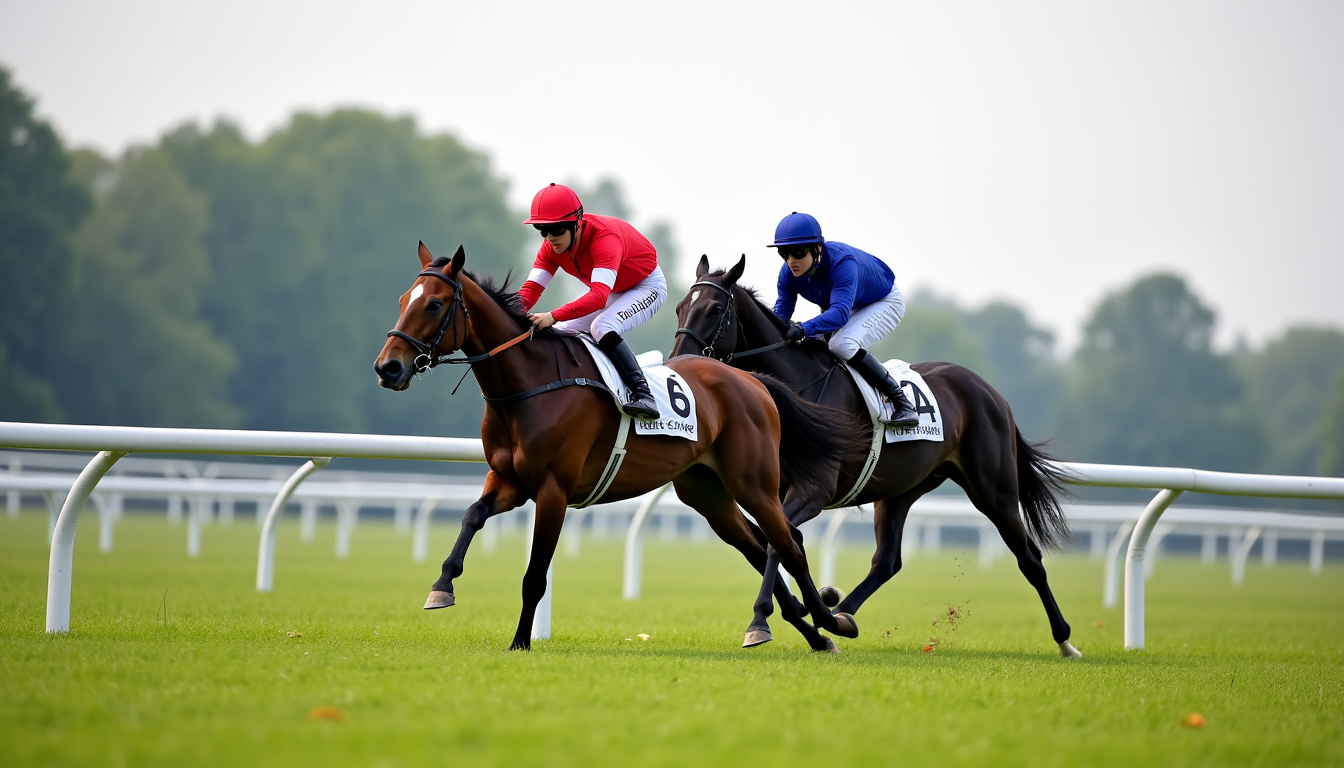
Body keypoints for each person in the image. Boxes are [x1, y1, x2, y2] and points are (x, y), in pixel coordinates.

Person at [519, 183, 665, 419]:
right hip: (613, 290)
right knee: (560, 330)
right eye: (542, 230)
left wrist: (552, 315)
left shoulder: (604, 239)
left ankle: (643, 394)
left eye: (556, 230)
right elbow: (531, 289)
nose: (549, 238)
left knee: (602, 326)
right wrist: (509, 313)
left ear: (576, 221)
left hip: (646, 286)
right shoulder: (550, 248)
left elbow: (598, 297)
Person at [769, 211, 920, 427]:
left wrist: (802, 328)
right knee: (805, 340)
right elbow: (782, 313)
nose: (792, 262)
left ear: (817, 248)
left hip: (883, 301)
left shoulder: (842, 263)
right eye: (785, 254)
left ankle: (901, 402)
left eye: (799, 253)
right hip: (848, 303)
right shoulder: (787, 274)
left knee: (842, 345)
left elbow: (839, 314)